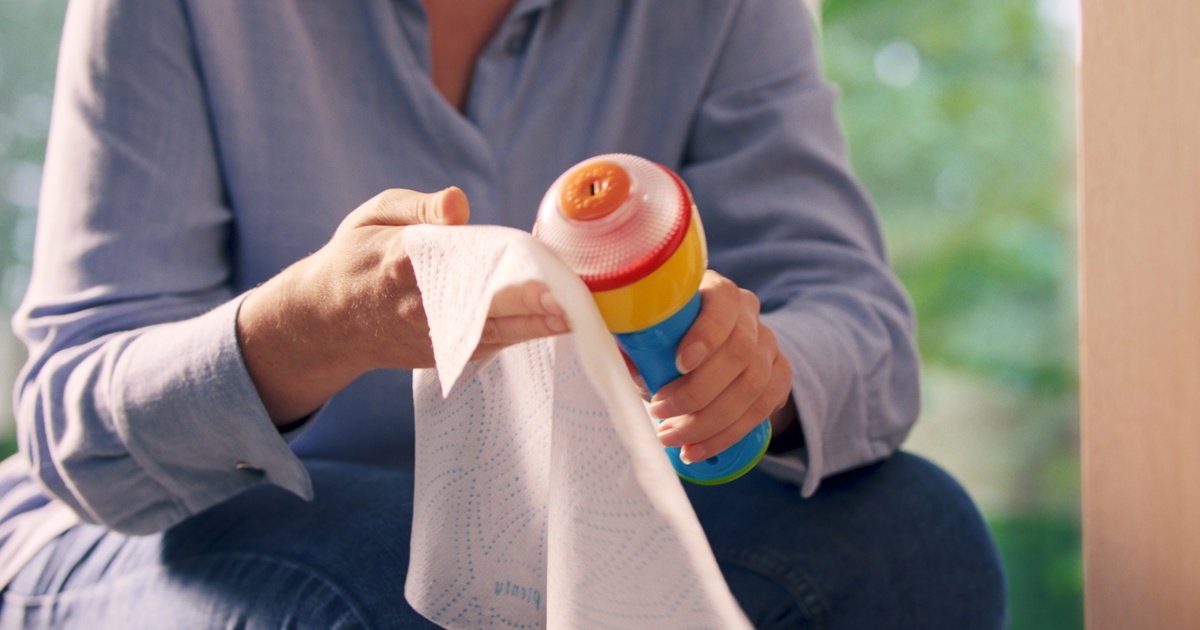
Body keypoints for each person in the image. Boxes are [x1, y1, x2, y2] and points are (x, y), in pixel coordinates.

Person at [0, 0, 1006, 627]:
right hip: (153, 535)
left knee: (915, 542)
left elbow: (858, 319)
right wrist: (311, 330)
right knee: (398, 590)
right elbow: (73, 423)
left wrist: (759, 374)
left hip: (554, 521)